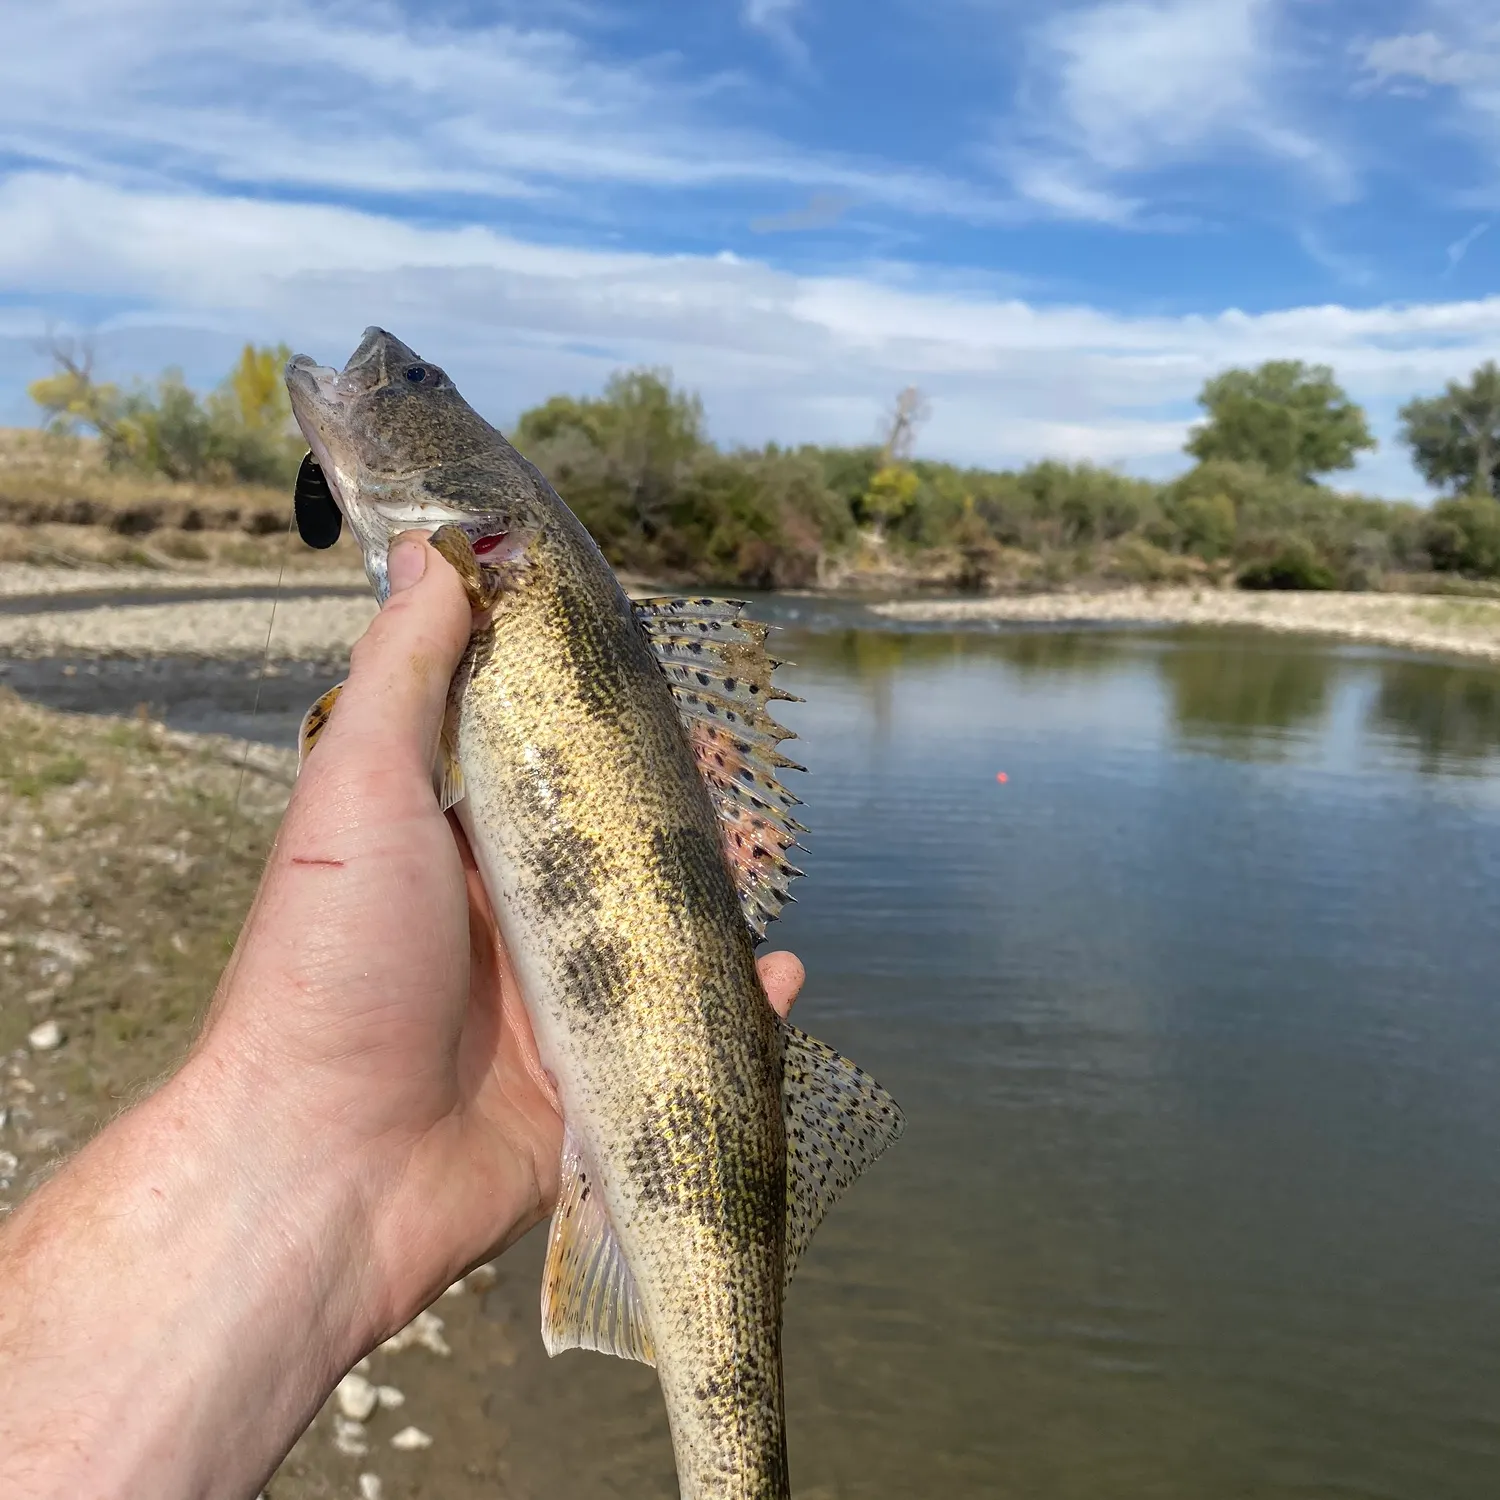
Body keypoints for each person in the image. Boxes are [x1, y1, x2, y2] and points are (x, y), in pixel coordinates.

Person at [0, 534, 805, 1499]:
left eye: (411, 370)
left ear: (486, 544)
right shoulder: (508, 582)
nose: (386, 380)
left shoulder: (498, 571)